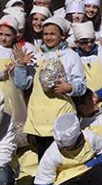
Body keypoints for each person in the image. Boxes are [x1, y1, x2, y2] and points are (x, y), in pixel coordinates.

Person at [22, 17, 86, 154]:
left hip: (61, 113)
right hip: (39, 115)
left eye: (52, 34)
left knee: (60, 155)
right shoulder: (37, 55)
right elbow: (23, 83)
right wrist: (20, 66)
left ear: (62, 35)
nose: (48, 37)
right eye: (45, 34)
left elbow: (81, 85)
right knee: (43, 155)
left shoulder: (70, 56)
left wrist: (69, 88)